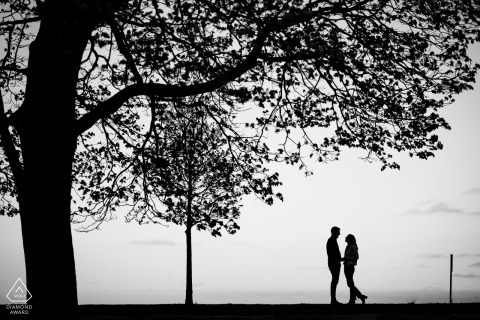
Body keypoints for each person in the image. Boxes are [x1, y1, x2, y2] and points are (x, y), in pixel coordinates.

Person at [343, 234, 367, 304]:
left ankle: (360, 296)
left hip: (350, 266)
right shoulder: (348, 246)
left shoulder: (353, 246)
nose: (345, 238)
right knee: (350, 284)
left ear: (350, 239)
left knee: (350, 284)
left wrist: (347, 258)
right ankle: (352, 300)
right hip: (347, 265)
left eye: (347, 237)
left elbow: (356, 257)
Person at [326, 226, 343, 304]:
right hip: (334, 263)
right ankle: (333, 299)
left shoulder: (332, 240)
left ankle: (333, 299)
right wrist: (340, 259)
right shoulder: (331, 241)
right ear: (335, 232)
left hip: (335, 262)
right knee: (334, 280)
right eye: (338, 232)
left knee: (335, 280)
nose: (339, 234)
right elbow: (332, 254)